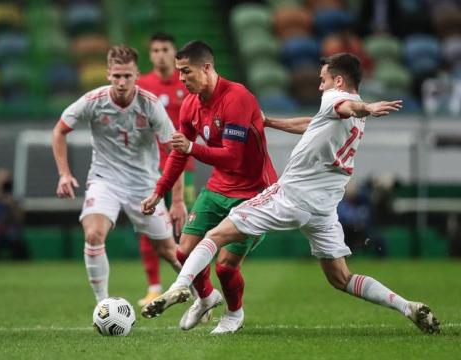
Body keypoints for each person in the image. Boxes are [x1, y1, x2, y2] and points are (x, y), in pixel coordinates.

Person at [142, 53, 441, 335]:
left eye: (323, 78)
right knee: (341, 278)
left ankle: (180, 286)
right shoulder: (348, 112)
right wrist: (270, 122)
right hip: (323, 208)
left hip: (292, 196)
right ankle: (407, 306)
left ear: (338, 81)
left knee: (215, 236)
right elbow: (314, 125)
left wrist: (368, 108)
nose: (319, 84)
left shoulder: (339, 100)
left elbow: (344, 107)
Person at [140, 40, 280, 334]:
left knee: (225, 267)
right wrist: (158, 191)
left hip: (254, 193)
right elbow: (178, 153)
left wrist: (191, 147)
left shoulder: (237, 98)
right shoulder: (191, 104)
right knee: (183, 252)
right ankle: (205, 298)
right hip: (218, 188)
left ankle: (234, 314)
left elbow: (232, 155)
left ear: (207, 68)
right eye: (179, 72)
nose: (181, 78)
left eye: (186, 71)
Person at [51, 45, 182, 303]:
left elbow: (175, 151)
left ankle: (205, 296)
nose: (122, 82)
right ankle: (102, 305)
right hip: (105, 180)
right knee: (93, 234)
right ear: (108, 74)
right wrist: (64, 174)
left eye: (128, 76)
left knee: (168, 250)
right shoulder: (93, 101)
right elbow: (59, 131)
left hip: (144, 185)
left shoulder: (151, 105)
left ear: (136, 74)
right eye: (117, 76)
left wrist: (177, 200)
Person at [135, 32, 193, 307]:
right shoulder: (142, 85)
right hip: (149, 168)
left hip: (184, 167)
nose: (160, 54)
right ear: (150, 54)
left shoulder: (188, 83)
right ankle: (154, 286)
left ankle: (190, 285)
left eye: (164, 49)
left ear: (174, 52)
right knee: (149, 226)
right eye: (155, 49)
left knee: (186, 228)